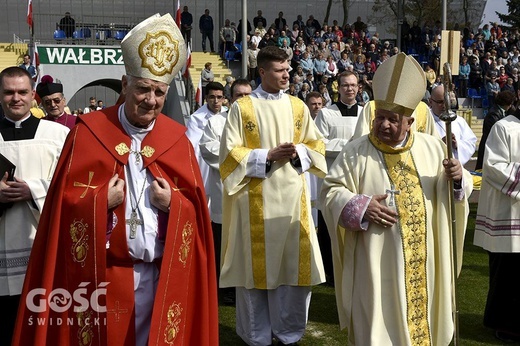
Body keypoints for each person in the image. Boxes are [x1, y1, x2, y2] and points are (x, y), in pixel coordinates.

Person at [12, 13, 218, 345]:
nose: (151, 101)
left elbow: (198, 216)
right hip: (103, 279)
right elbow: (58, 209)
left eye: (160, 93)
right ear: (125, 84)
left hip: (162, 278)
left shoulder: (178, 139)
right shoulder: (88, 132)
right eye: (143, 89)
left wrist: (173, 206)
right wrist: (98, 203)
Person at [320, 52, 473, 345]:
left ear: (410, 122)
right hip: (376, 262)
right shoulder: (356, 152)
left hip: (424, 262)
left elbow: (458, 195)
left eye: (393, 120)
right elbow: (331, 191)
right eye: (380, 117)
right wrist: (361, 207)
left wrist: (458, 179)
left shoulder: (432, 149)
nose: (384, 125)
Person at [219, 46, 327, 345]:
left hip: (294, 203)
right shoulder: (243, 108)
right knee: (254, 277)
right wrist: (267, 155)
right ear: (263, 72)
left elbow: (316, 145)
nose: (287, 74)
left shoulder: (298, 107)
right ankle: (257, 338)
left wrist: (299, 153)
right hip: (255, 203)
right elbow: (229, 156)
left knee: (294, 274)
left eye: (288, 68)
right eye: (280, 70)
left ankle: (289, 335)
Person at [0, 67, 69, 344]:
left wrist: (34, 190)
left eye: (22, 92)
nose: (15, 98)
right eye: (8, 92)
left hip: (43, 241)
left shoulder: (58, 134)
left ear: (33, 96)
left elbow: (73, 183)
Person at [199, 79, 252, 305]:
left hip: (252, 193)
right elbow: (208, 149)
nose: (244, 99)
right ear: (230, 99)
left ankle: (247, 282)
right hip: (225, 192)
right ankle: (226, 289)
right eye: (239, 95)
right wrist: (245, 159)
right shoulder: (217, 122)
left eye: (247, 95)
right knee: (225, 244)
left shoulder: (258, 122)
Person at [473, 109, 520, 344]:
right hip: (509, 214)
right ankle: (506, 324)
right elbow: (493, 166)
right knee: (509, 272)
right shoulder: (504, 127)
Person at [186, 81, 226, 207]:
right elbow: (192, 144)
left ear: (224, 99)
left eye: (219, 97)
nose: (216, 101)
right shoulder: (196, 118)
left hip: (223, 161)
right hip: (204, 164)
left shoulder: (228, 114)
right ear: (206, 98)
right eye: (212, 97)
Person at [429, 84, 477, 166]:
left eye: (447, 102)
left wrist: (456, 144)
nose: (445, 106)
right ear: (430, 102)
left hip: (454, 170)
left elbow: (471, 143)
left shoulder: (458, 121)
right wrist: (440, 144)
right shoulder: (424, 120)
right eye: (440, 102)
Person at [475, 90, 516, 170]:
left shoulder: (502, 112)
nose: (511, 106)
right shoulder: (493, 114)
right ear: (506, 103)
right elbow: (496, 132)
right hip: (488, 147)